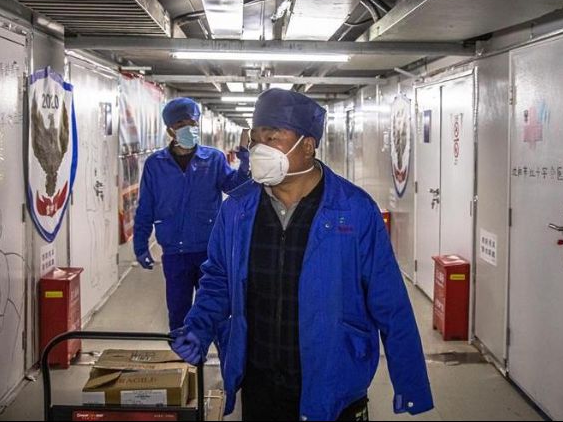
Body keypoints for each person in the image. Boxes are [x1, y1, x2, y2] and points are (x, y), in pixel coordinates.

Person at [171, 89, 433, 421]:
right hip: (259, 381)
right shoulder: (237, 209)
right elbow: (218, 281)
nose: (259, 149)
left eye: (272, 138)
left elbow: (389, 300)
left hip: (333, 382)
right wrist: (199, 326)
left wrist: (411, 381)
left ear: (307, 146)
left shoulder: (353, 210)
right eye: (255, 139)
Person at [133, 97, 250, 331]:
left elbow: (234, 188)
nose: (189, 128)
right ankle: (183, 351)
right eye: (181, 124)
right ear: (170, 129)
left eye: (192, 123)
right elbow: (146, 206)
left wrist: (245, 166)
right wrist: (140, 244)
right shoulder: (156, 164)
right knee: (179, 313)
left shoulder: (213, 159)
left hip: (209, 251)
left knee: (215, 312)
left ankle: (220, 351)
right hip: (174, 253)